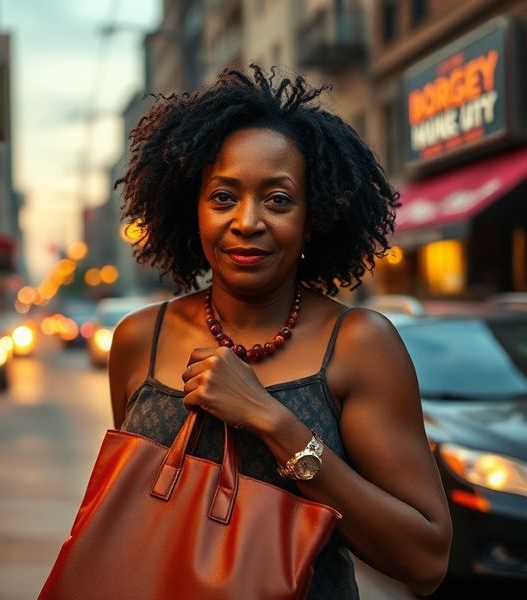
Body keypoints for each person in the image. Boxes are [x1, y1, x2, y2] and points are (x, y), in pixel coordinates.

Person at [109, 66, 452, 598]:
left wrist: (273, 422)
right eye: (223, 197)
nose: (247, 221)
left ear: (313, 218)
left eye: (278, 199)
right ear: (192, 209)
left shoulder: (360, 344)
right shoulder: (137, 340)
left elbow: (425, 559)